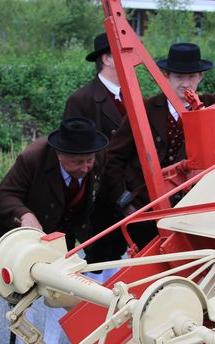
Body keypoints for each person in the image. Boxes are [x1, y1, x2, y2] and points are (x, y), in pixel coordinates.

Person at [0, 117, 108, 344]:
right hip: (29, 237)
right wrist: (24, 214)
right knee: (26, 290)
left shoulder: (95, 158)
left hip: (64, 233)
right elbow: (0, 197)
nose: (86, 167)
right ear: (59, 154)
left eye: (89, 161)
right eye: (78, 162)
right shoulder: (32, 158)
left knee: (63, 287)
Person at [103, 42, 215, 249]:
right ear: (166, 76)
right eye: (179, 77)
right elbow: (114, 157)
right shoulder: (144, 109)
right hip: (144, 207)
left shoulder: (212, 106)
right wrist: (125, 203)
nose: (186, 84)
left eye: (191, 76)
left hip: (190, 210)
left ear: (200, 77)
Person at [63, 32, 128, 266]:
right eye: (122, 54)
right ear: (107, 59)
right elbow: (70, 153)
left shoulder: (133, 96)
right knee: (99, 258)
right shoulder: (81, 100)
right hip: (98, 197)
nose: (129, 59)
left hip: (130, 191)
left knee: (125, 257)